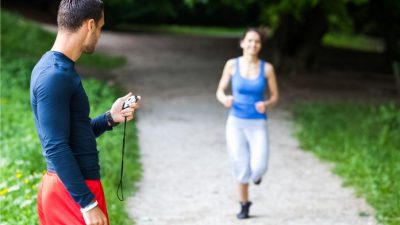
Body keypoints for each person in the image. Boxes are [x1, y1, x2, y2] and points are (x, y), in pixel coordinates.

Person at [30, 1, 140, 224]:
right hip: (71, 191)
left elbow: (70, 134)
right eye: (100, 27)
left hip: (71, 187)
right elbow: (55, 146)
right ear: (90, 25)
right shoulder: (55, 75)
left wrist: (110, 118)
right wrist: (87, 204)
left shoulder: (57, 68)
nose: (99, 35)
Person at [216, 28, 279, 219]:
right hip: (235, 122)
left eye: (257, 42)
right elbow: (220, 90)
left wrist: (266, 104)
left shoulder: (267, 68)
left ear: (260, 45)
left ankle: (257, 176)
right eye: (250, 41)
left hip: (257, 123)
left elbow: (275, 96)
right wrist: (225, 99)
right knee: (240, 164)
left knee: (259, 167)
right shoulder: (231, 65)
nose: (253, 45)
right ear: (242, 43)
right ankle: (244, 204)